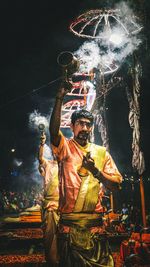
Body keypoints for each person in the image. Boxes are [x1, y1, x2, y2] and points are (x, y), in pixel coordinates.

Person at [49, 81, 123, 267]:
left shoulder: (101, 152)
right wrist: (59, 98)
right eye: (80, 124)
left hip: (95, 227)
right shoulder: (64, 147)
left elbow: (116, 185)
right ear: (72, 127)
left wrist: (96, 171)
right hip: (69, 227)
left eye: (88, 124)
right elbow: (53, 130)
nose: (84, 128)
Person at [38, 132, 59, 266]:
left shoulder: (65, 165)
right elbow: (40, 158)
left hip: (63, 206)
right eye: (54, 150)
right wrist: (42, 143)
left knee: (63, 236)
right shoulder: (48, 164)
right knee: (50, 236)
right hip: (50, 205)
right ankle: (52, 261)